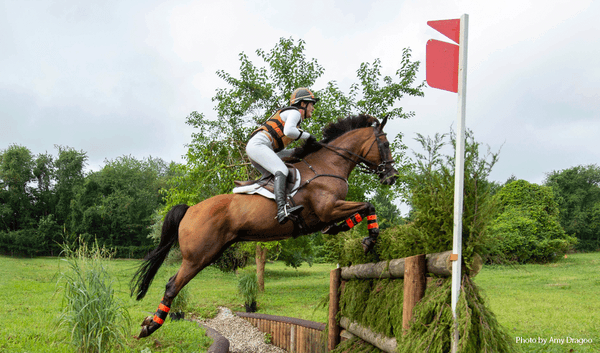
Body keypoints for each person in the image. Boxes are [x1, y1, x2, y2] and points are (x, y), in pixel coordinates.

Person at [246, 87, 319, 224]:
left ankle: (267, 207)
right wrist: (308, 137)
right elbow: (289, 131)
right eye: (312, 104)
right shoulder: (295, 112)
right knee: (282, 170)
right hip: (259, 146)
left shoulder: (293, 115)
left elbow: (285, 151)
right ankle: (282, 210)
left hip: (261, 148)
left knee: (292, 160)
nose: (313, 108)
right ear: (303, 104)